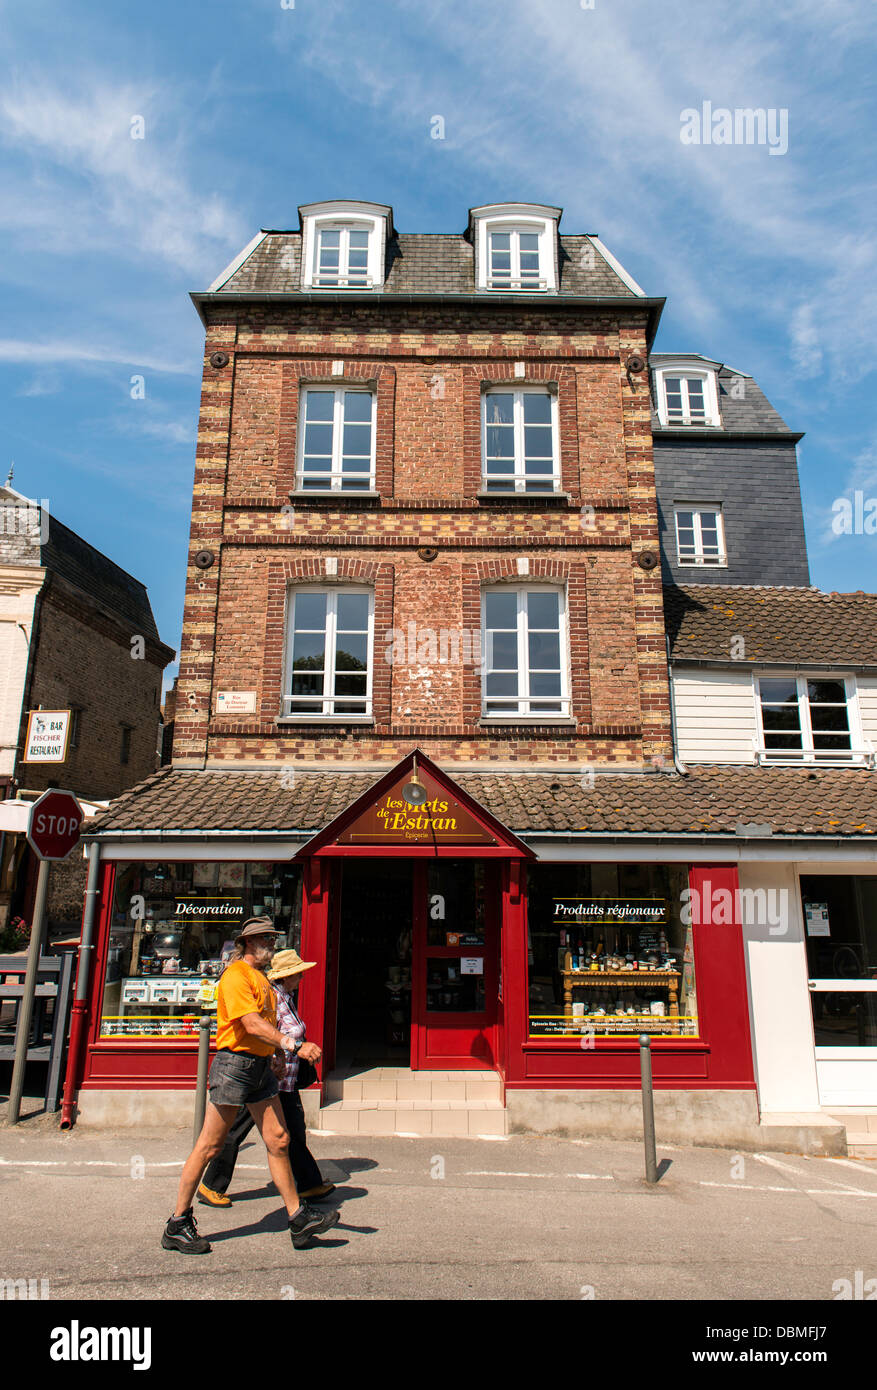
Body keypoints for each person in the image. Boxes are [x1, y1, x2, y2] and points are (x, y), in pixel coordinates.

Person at [161, 918, 340, 1254]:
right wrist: (293, 1046)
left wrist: (275, 1054)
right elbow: (251, 1023)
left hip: (259, 1068)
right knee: (210, 1145)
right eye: (263, 939)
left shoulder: (262, 979)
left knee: (279, 1139)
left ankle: (298, 1219)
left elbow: (267, 1026)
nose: (270, 943)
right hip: (234, 1067)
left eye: (272, 938)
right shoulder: (236, 976)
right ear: (246, 944)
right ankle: (177, 1222)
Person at [197, 948, 334, 1207]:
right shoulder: (274, 998)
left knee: (292, 1130)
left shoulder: (287, 997)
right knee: (235, 1130)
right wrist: (281, 1054)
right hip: (269, 1077)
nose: (302, 977)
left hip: (285, 1078)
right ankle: (210, 1185)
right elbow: (263, 1030)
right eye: (298, 973)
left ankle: (309, 1184)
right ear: (286, 976)